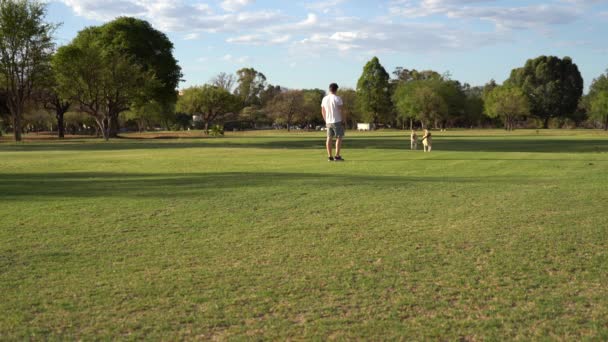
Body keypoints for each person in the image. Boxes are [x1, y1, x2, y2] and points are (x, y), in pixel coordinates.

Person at [321, 83, 345, 162]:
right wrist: (343, 120)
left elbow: (323, 110)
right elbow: (341, 110)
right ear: (336, 89)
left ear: (329, 89)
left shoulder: (324, 98)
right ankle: (337, 156)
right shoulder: (337, 98)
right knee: (339, 138)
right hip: (337, 120)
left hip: (328, 121)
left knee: (329, 138)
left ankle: (329, 156)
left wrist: (325, 120)